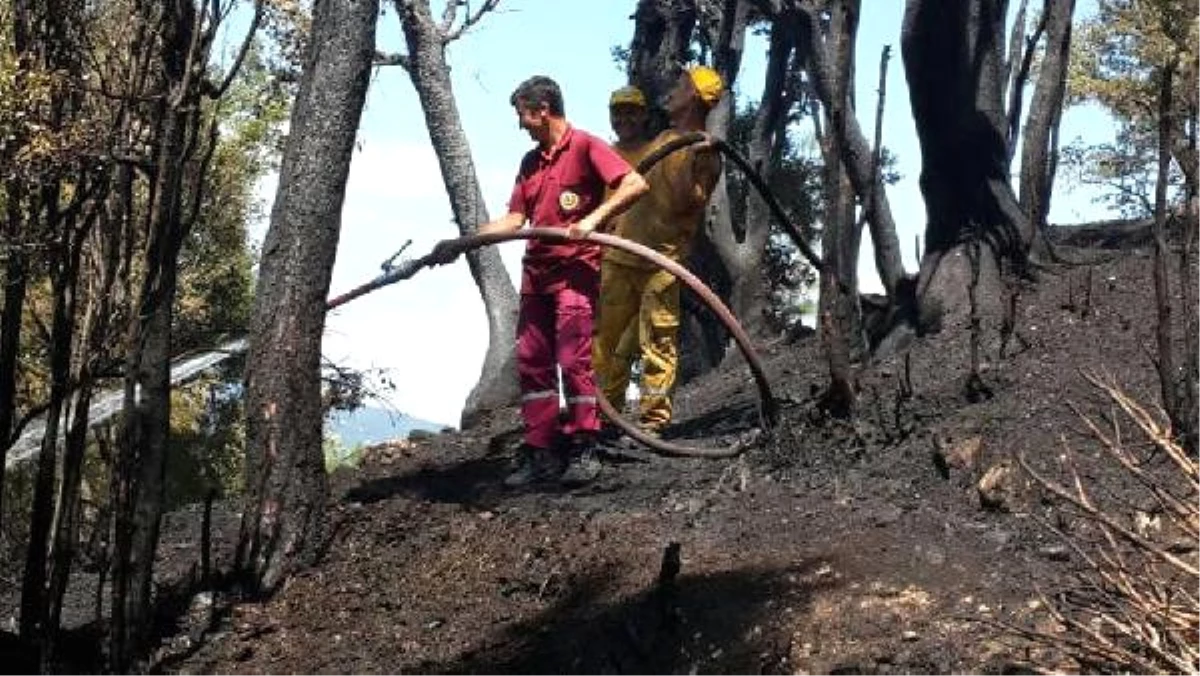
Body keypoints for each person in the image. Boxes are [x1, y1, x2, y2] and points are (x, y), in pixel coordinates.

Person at [431, 75, 648, 487]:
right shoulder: (530, 163)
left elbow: (635, 183)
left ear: (542, 110)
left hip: (575, 273)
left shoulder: (585, 146)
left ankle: (584, 445)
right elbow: (515, 220)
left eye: (522, 115)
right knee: (533, 364)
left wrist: (591, 220)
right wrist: (462, 242)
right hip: (536, 278)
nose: (520, 124)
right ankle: (541, 451)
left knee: (573, 359)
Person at [593, 66, 724, 438]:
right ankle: (602, 417)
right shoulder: (664, 137)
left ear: (696, 97)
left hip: (661, 262)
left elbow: (688, 202)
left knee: (657, 340)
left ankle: (653, 423)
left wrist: (694, 155)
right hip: (621, 255)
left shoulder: (708, 154)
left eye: (683, 85)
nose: (675, 90)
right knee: (606, 341)